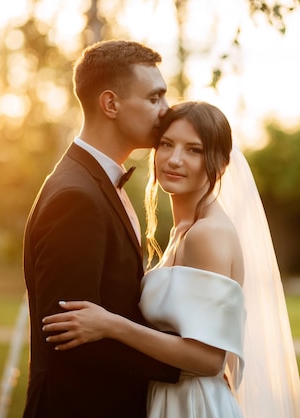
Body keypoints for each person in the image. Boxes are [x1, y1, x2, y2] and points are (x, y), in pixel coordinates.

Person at [42, 101, 300, 417]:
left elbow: (209, 359)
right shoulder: (183, 230)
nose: (174, 159)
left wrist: (110, 325)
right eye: (166, 144)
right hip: (169, 398)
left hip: (194, 405)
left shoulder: (207, 235)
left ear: (221, 164)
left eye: (194, 150)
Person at [21, 40, 180, 418]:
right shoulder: (76, 197)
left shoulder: (96, 184)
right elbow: (69, 337)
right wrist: (184, 363)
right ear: (110, 104)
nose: (166, 111)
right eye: (155, 98)